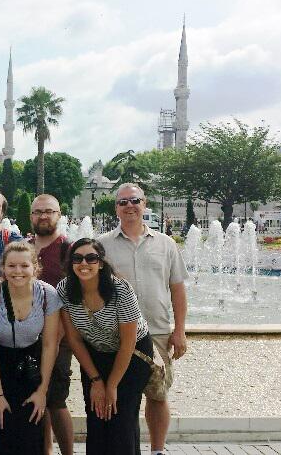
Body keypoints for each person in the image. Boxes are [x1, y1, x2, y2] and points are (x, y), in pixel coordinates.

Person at [98, 183, 188, 455]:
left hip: (158, 331)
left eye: (134, 200)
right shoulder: (101, 245)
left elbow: (177, 289)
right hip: (116, 335)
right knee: (123, 397)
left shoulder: (166, 243)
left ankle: (157, 450)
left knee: (157, 395)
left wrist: (180, 330)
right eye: (123, 202)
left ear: (144, 204)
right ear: (116, 208)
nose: (129, 206)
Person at [58, 238, 152, 454]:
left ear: (101, 263)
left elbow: (128, 342)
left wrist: (112, 386)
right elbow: (74, 340)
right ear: (71, 263)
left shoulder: (120, 289)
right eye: (77, 258)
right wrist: (97, 381)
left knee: (122, 418)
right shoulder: (65, 289)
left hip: (132, 355)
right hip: (95, 354)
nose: (84, 263)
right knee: (97, 415)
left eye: (91, 258)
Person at [0, 241, 60, 455]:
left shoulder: (47, 294)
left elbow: (50, 344)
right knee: (2, 426)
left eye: (24, 266)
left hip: (32, 362)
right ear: (3, 267)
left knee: (32, 428)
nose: (18, 272)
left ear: (34, 267)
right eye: (11, 266)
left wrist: (43, 391)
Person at [28, 194, 73, 455]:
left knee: (56, 400)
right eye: (37, 212)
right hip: (28, 337)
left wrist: (60, 337)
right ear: (31, 216)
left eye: (49, 211)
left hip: (58, 338)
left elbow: (74, 299)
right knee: (37, 398)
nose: (43, 216)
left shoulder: (69, 249)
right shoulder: (24, 246)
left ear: (59, 214)